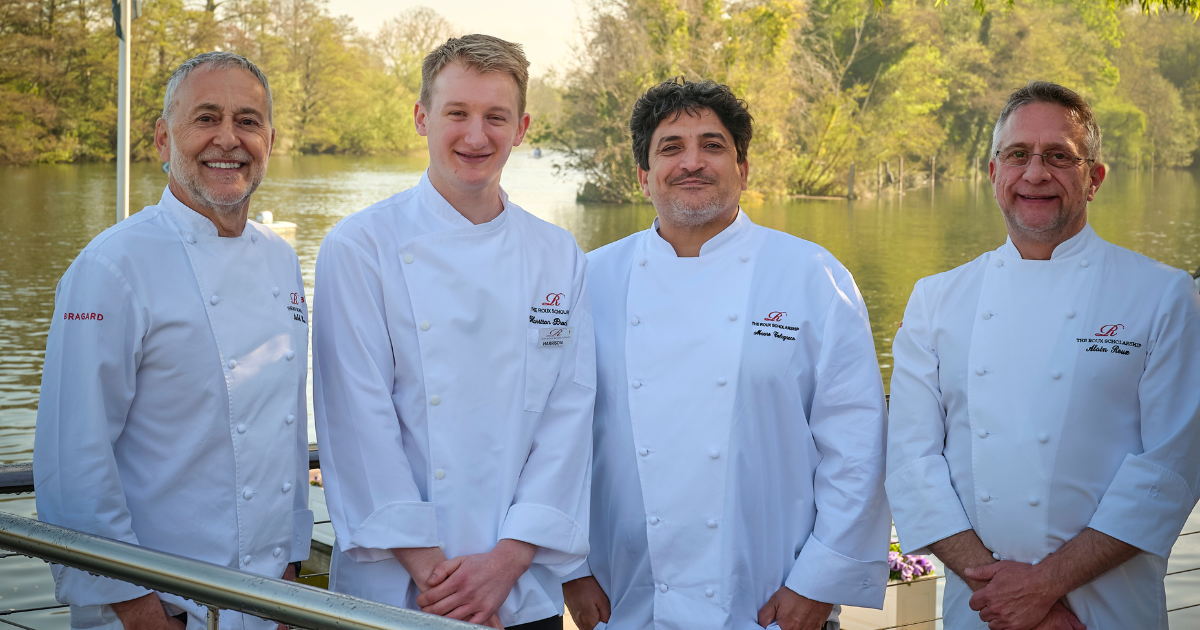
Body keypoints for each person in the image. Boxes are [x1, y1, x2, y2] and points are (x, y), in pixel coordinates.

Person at [563, 78, 891, 630]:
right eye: (671, 147)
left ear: (743, 168)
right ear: (644, 175)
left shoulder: (812, 277)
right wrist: (572, 567)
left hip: (774, 603)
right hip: (625, 598)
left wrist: (817, 583)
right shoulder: (590, 279)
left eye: (712, 145)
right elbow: (556, 437)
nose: (693, 162)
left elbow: (856, 445)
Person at [886, 81, 1200, 630]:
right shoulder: (936, 299)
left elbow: (1170, 469)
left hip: (1108, 612)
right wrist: (1009, 599)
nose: (1035, 174)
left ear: (1094, 178)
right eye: (1017, 155)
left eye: (1059, 156)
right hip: (982, 611)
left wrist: (1046, 588)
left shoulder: (1163, 295)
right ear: (993, 173)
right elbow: (913, 467)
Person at [312, 35, 595, 630]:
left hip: (519, 592)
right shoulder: (360, 246)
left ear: (521, 129)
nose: (475, 136)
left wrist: (505, 565)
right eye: (457, 113)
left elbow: (568, 415)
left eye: (496, 117)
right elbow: (357, 419)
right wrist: (440, 580)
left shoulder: (557, 254)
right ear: (422, 118)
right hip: (395, 594)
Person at [34, 52, 312, 630]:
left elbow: (281, 428)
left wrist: (289, 568)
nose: (228, 139)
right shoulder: (112, 267)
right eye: (206, 118)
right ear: (164, 139)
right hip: (157, 610)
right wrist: (140, 610)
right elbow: (73, 460)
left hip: (267, 605)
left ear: (270, 139)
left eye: (248, 121)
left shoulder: (282, 260)